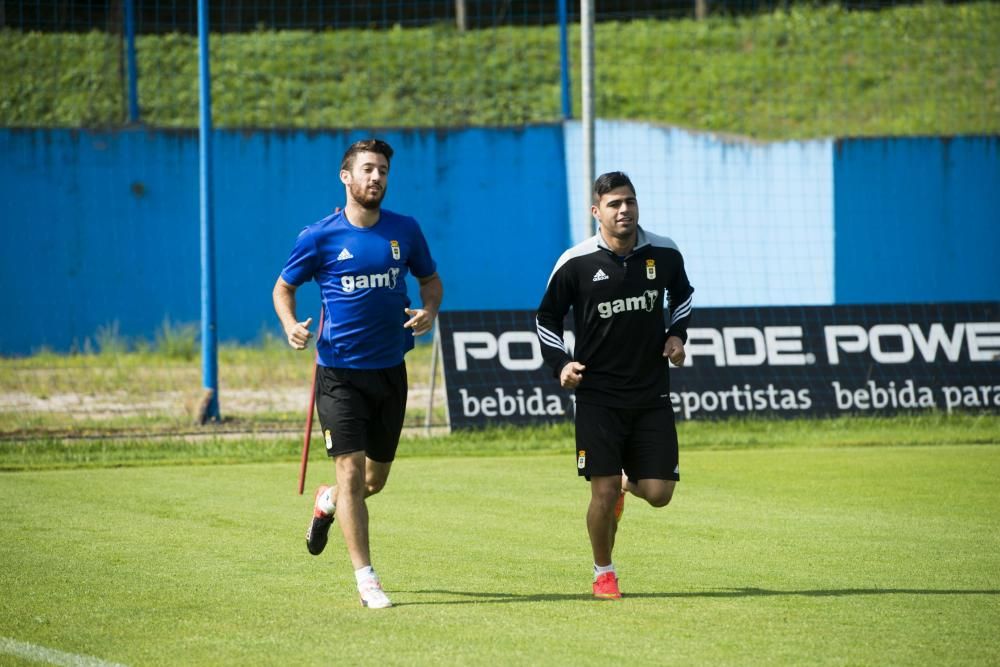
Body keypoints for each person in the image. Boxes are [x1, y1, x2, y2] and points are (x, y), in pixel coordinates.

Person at [272, 139, 443, 609]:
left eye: (383, 170)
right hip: (339, 374)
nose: (376, 178)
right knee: (350, 472)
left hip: (390, 371)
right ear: (346, 177)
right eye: (367, 169)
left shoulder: (405, 231)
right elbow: (283, 288)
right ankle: (366, 578)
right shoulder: (319, 237)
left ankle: (326, 503)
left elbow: (430, 281)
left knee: (372, 482)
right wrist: (290, 325)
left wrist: (429, 309)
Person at [535, 171, 693, 600]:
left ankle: (628, 483)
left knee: (660, 495)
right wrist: (561, 364)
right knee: (601, 492)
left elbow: (683, 295)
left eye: (629, 202)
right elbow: (545, 318)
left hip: (651, 394)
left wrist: (677, 334)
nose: (624, 210)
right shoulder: (576, 261)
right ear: (596, 212)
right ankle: (604, 571)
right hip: (598, 396)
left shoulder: (664, 252)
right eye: (614, 204)